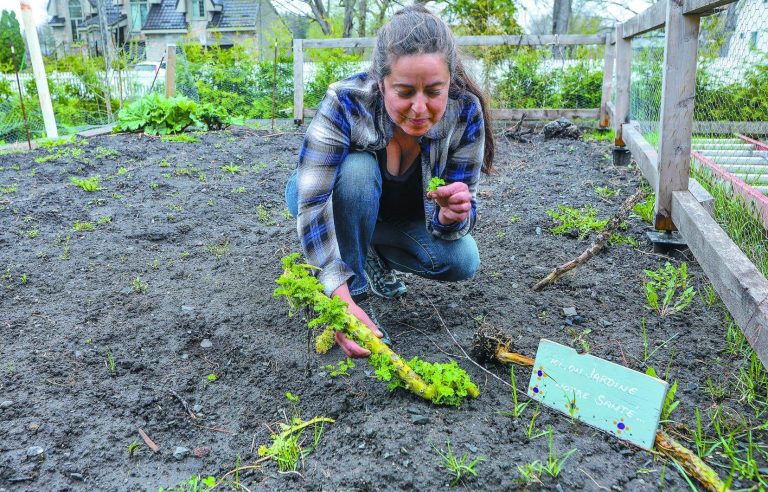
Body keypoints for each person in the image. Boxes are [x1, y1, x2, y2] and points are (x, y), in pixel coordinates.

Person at [285, 5, 495, 358]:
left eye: (433, 91)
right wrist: (337, 300)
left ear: (449, 82)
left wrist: (452, 215)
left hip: (391, 216)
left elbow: (462, 211)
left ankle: (365, 250)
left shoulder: (466, 112)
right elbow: (311, 203)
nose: (419, 107)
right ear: (381, 82)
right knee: (356, 172)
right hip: (326, 197)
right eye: (404, 91)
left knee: (463, 259)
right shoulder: (347, 101)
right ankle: (355, 286)